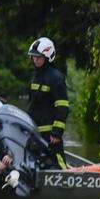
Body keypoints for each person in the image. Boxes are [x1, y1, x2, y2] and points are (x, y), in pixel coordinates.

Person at [26, 36, 69, 170]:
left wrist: (56, 133)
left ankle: (66, 184)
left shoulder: (56, 78)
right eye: (34, 56)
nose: (36, 59)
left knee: (57, 164)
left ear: (48, 56)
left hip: (51, 136)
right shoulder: (35, 77)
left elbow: (62, 107)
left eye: (39, 57)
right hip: (34, 132)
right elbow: (32, 104)